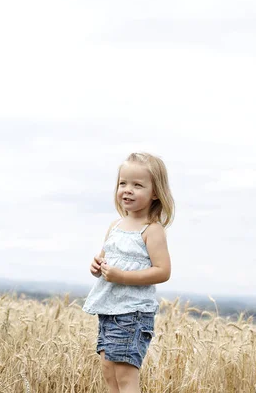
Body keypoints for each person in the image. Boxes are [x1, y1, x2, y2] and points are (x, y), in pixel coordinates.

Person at [82, 152, 174, 393]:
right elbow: (105, 260)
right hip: (109, 309)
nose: (127, 190)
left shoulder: (151, 230)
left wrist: (123, 277)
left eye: (137, 185)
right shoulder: (116, 226)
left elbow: (163, 271)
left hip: (132, 313)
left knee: (125, 376)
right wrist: (96, 267)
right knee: (109, 372)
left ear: (155, 192)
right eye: (123, 183)